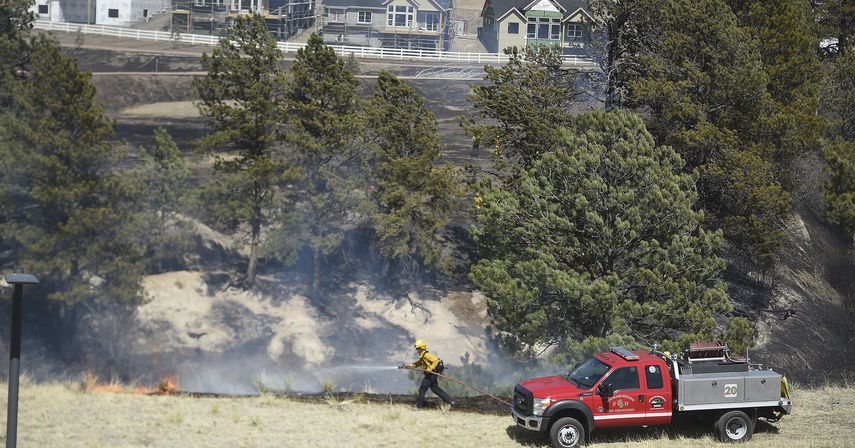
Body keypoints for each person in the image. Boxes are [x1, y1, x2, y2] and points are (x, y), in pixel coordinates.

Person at [405, 339, 454, 408]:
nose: (417, 350)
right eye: (416, 348)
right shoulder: (422, 356)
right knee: (435, 389)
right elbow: (418, 363)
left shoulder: (426, 355)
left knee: (422, 388)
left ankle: (419, 406)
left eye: (418, 348)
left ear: (422, 348)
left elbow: (436, 361)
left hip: (432, 373)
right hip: (432, 373)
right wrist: (409, 365)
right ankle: (449, 401)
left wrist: (430, 369)